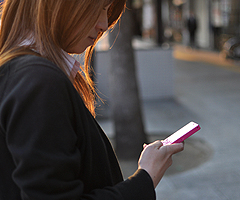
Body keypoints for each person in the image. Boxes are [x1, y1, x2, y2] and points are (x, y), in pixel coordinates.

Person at [0, 0, 184, 199]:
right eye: (99, 9)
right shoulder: (37, 81)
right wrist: (146, 177)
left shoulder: (20, 72)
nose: (104, 25)